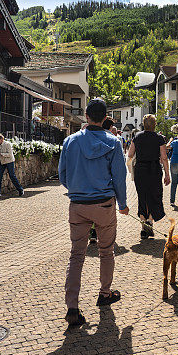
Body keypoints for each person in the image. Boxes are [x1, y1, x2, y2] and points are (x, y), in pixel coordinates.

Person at [58, 98, 128, 327]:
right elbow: (119, 177)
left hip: (78, 205)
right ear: (105, 118)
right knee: (106, 251)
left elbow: (62, 175)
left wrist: (78, 189)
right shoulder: (113, 142)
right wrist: (123, 204)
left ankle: (72, 306)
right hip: (104, 205)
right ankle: (105, 293)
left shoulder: (70, 141)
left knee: (76, 255)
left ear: (86, 117)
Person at [127, 114, 170, 239]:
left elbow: (130, 154)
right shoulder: (159, 138)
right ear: (154, 125)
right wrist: (167, 174)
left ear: (143, 124)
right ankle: (150, 221)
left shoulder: (137, 137)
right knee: (154, 195)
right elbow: (164, 157)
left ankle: (142, 226)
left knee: (142, 196)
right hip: (154, 169)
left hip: (140, 169)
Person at [0, 133, 24, 197]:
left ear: (1, 139)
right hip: (2, 162)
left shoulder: (7, 144)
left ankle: (20, 190)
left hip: (9, 161)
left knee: (12, 176)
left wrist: (0, 153)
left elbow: (9, 154)